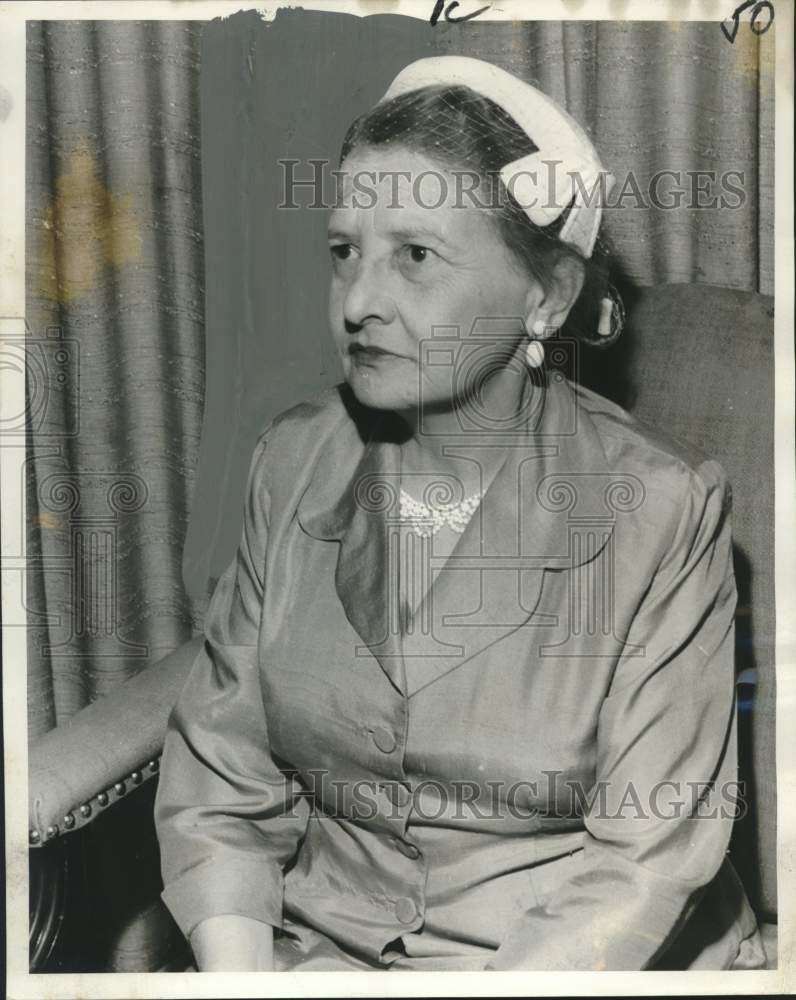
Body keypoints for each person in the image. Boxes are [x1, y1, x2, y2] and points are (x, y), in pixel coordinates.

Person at [154, 56, 766, 972]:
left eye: (416, 255)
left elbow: (643, 865)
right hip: (323, 956)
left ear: (547, 295)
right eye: (344, 252)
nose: (358, 302)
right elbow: (220, 782)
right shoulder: (294, 459)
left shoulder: (661, 514)